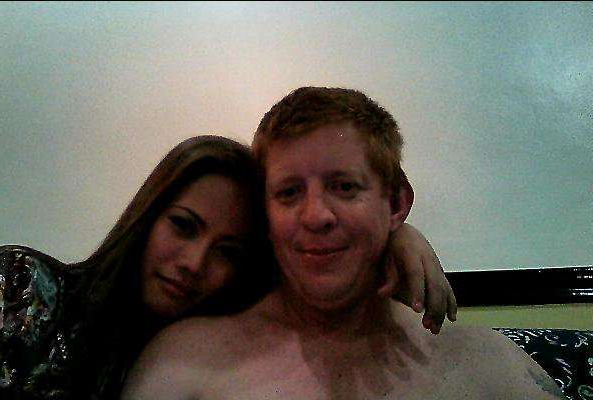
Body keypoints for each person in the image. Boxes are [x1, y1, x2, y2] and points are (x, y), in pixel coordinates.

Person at [122, 88, 566, 399]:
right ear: (264, 214)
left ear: (396, 204)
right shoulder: (188, 360)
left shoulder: (484, 366)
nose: (316, 216)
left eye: (344, 187)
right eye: (289, 193)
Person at [0, 135, 455, 400]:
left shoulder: (212, 357)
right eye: (184, 226)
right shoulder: (23, 289)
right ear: (147, 216)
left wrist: (391, 235)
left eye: (228, 252)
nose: (194, 264)